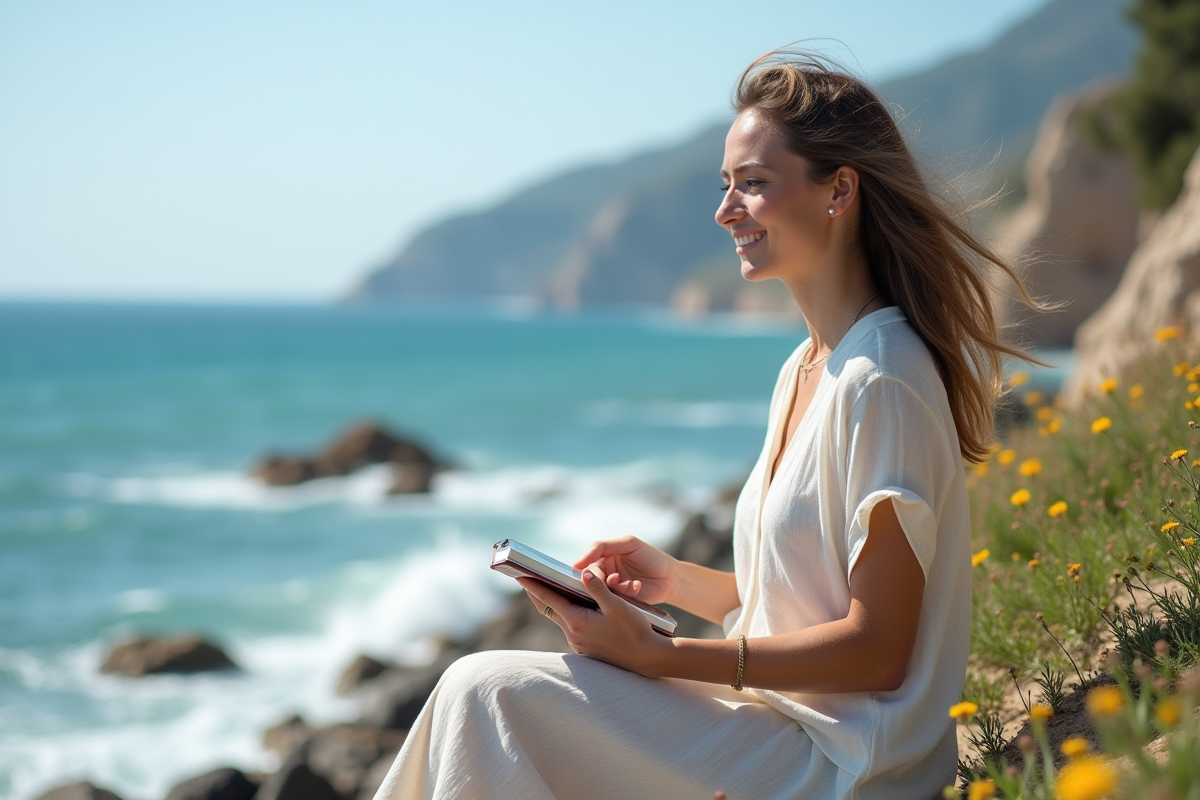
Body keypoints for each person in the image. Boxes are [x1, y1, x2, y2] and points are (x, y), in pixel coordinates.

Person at [372, 51, 1037, 800]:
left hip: (845, 767)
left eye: (752, 183)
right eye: (726, 185)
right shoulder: (807, 367)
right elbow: (799, 600)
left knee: (487, 691)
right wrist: (674, 580)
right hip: (782, 729)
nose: (725, 211)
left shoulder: (881, 377)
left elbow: (879, 649)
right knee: (477, 691)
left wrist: (663, 657)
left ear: (839, 190)